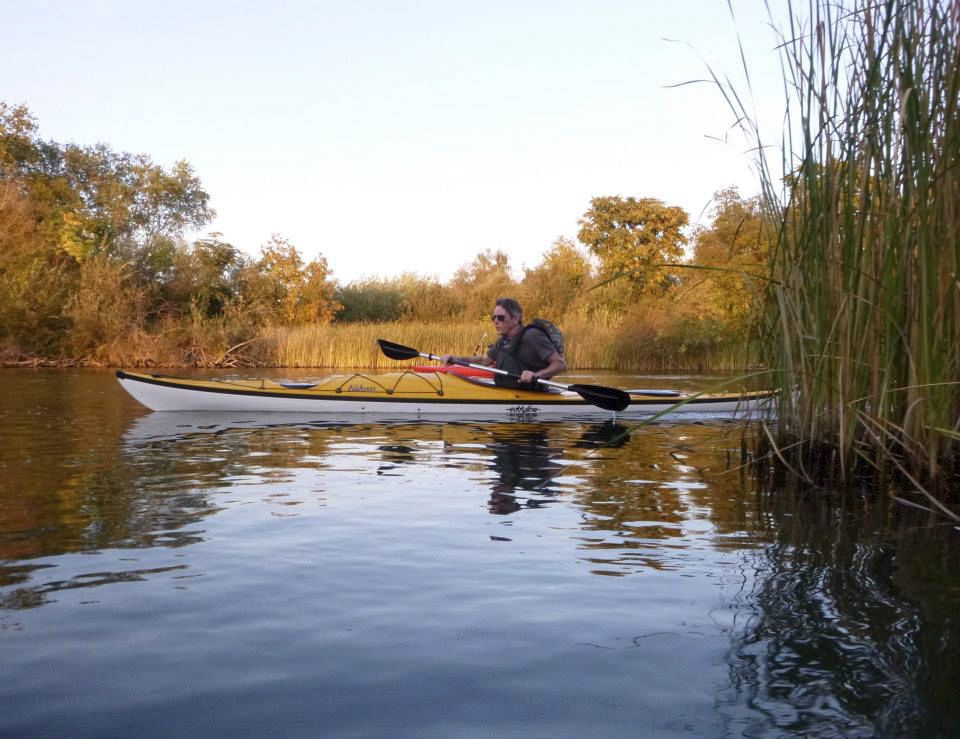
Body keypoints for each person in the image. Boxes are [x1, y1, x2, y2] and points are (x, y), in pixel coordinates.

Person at [441, 298, 567, 389]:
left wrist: (536, 375)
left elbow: (560, 364)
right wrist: (455, 359)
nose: (496, 321)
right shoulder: (503, 340)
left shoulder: (532, 336)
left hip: (531, 395)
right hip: (508, 390)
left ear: (516, 318)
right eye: (494, 318)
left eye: (501, 318)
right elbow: (483, 360)